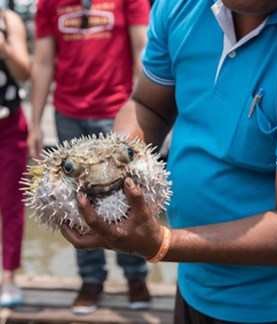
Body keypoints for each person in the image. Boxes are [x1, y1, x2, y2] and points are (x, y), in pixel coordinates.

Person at [61, 0, 277, 323]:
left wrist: (163, 242)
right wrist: (113, 167)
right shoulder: (179, 6)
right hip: (193, 283)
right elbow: (148, 105)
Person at [28, 0, 151, 315]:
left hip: (117, 112)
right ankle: (91, 280)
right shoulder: (48, 3)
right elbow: (43, 61)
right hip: (69, 114)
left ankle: (136, 277)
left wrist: (146, 114)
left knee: (127, 199)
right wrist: (35, 124)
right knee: (74, 203)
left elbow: (143, 52)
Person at [0, 4, 30, 307]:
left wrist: (5, 48)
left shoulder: (8, 19)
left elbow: (25, 71)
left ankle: (8, 277)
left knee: (11, 205)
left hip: (7, 127)